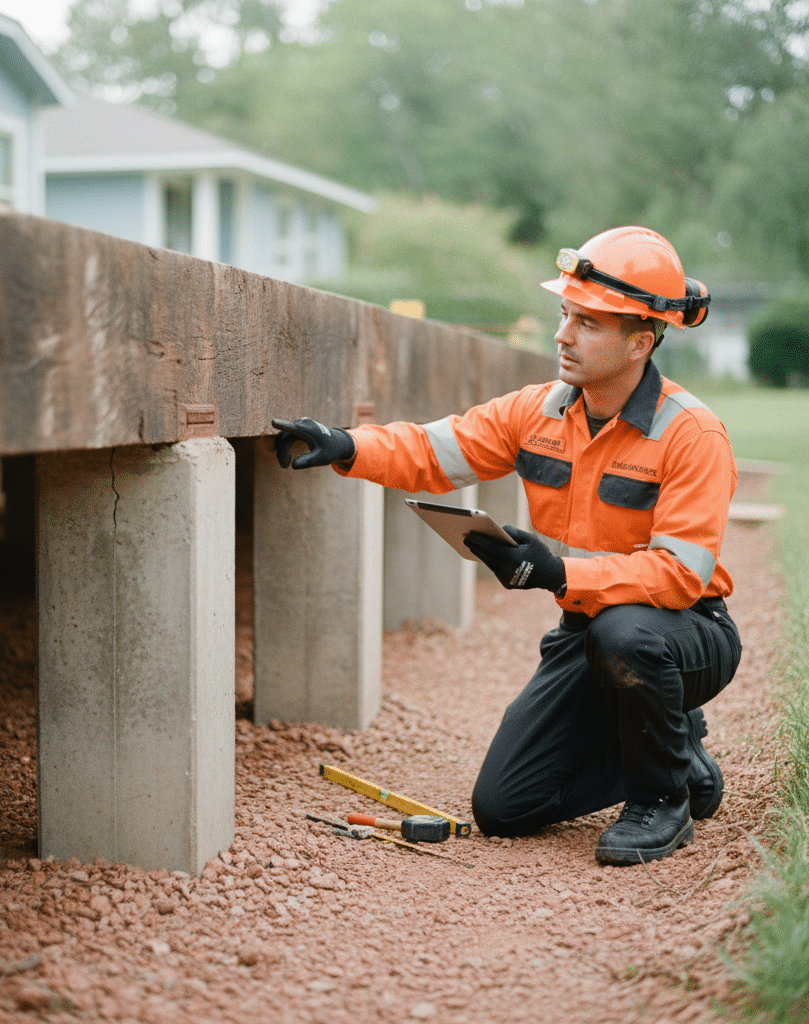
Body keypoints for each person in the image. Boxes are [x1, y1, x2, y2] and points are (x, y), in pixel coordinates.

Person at [272, 226, 741, 866]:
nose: (562, 335)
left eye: (587, 323)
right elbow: (437, 450)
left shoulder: (693, 436)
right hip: (592, 628)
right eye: (564, 314)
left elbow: (680, 576)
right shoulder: (538, 411)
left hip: (687, 634)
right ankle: (677, 751)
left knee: (628, 637)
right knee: (504, 807)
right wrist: (346, 445)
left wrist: (558, 573)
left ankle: (660, 799)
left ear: (640, 342)